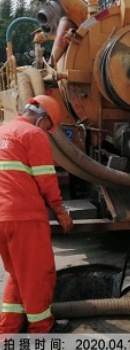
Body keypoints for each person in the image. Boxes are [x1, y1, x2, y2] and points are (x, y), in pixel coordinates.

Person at [0, 95, 73, 333]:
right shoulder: (33, 134)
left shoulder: (3, 130)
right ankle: (42, 329)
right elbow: (47, 181)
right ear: (42, 120)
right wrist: (60, 212)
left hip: (3, 216)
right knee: (37, 274)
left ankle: (8, 329)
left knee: (17, 273)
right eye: (48, 128)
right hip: (23, 216)